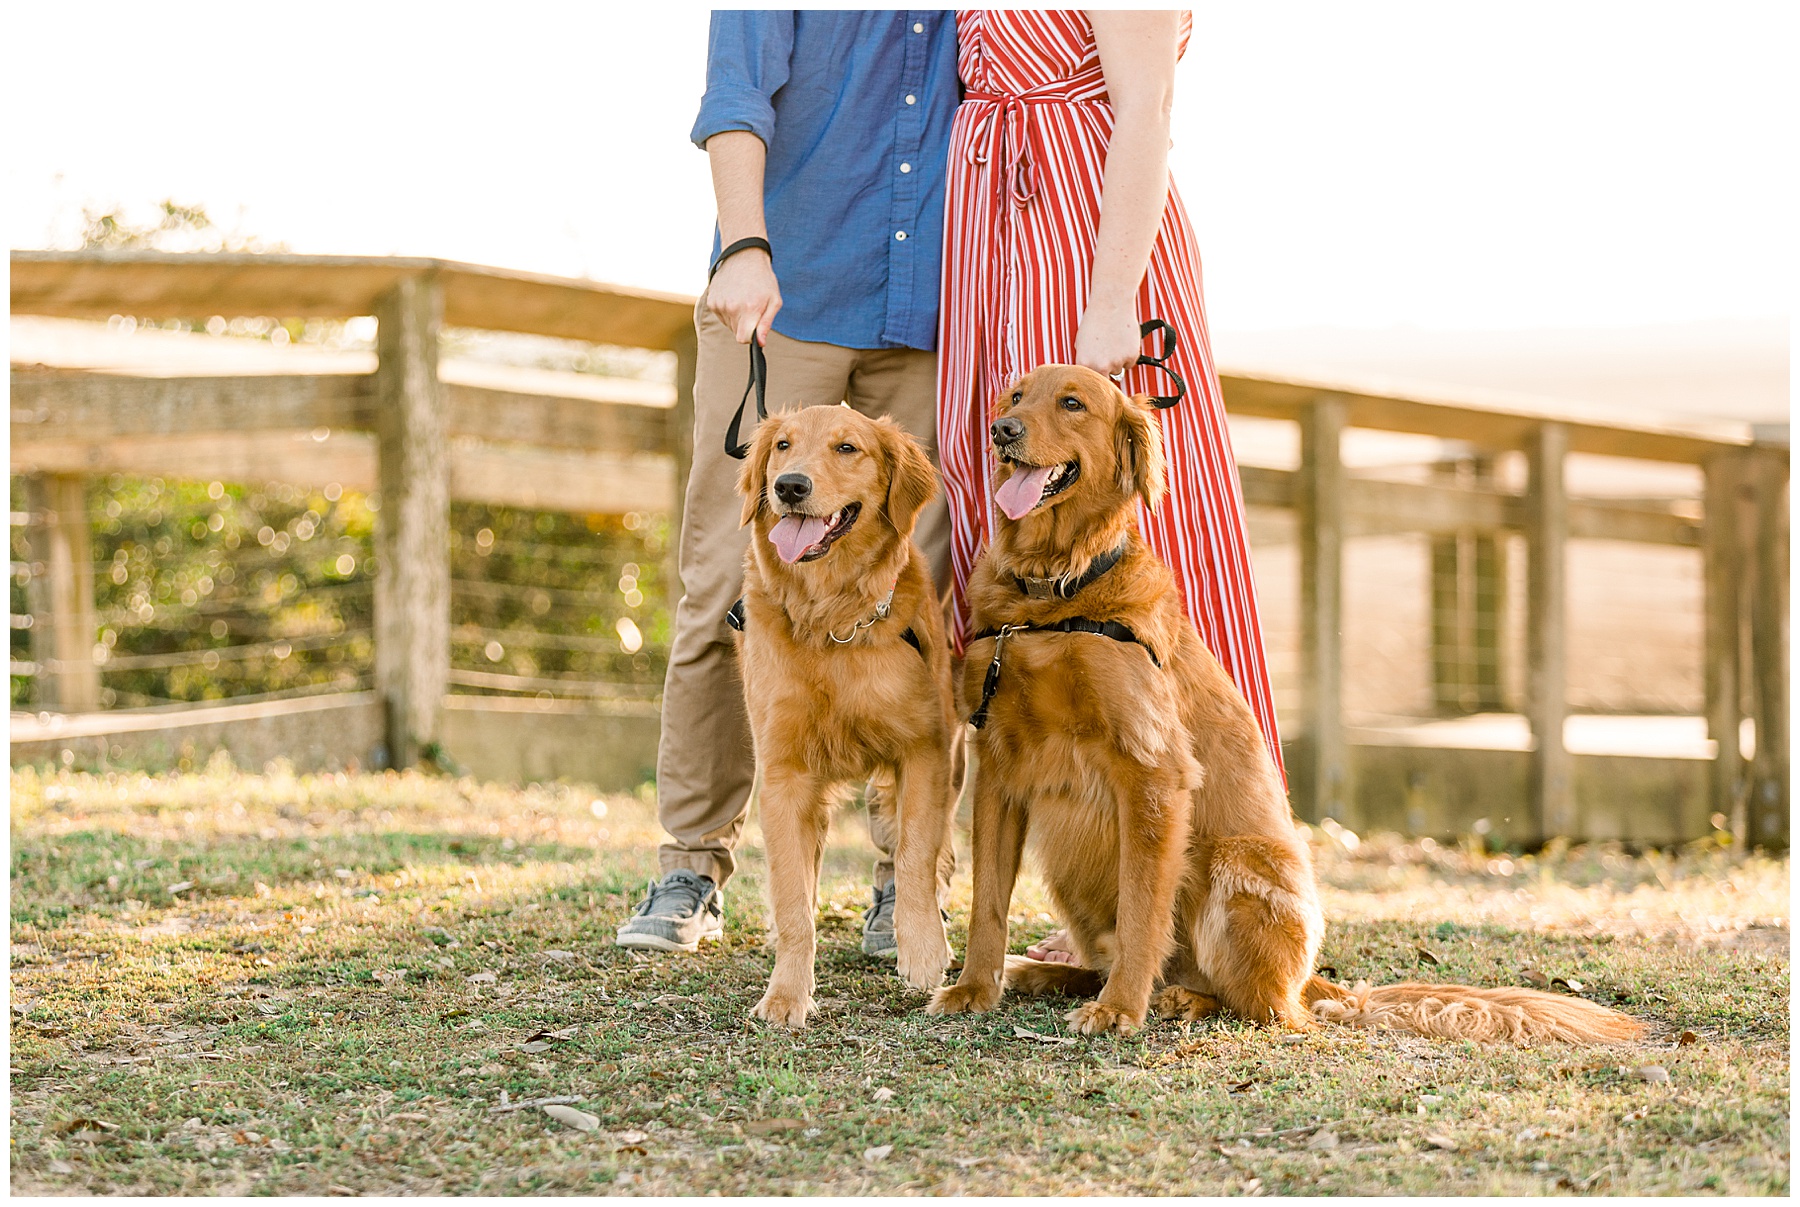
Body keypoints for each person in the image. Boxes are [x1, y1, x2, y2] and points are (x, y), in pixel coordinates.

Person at [934, 10, 1284, 965]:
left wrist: (1108, 301)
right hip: (993, 242)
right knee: (1009, 510)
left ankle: (1196, 880)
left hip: (1083, 240)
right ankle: (1078, 891)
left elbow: (1146, 107)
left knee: (1138, 551)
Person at [616, 11, 962, 958]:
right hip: (782, 298)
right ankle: (690, 861)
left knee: (923, 607)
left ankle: (909, 882)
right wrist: (743, 244)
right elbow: (734, 99)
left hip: (933, 313)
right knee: (725, 584)